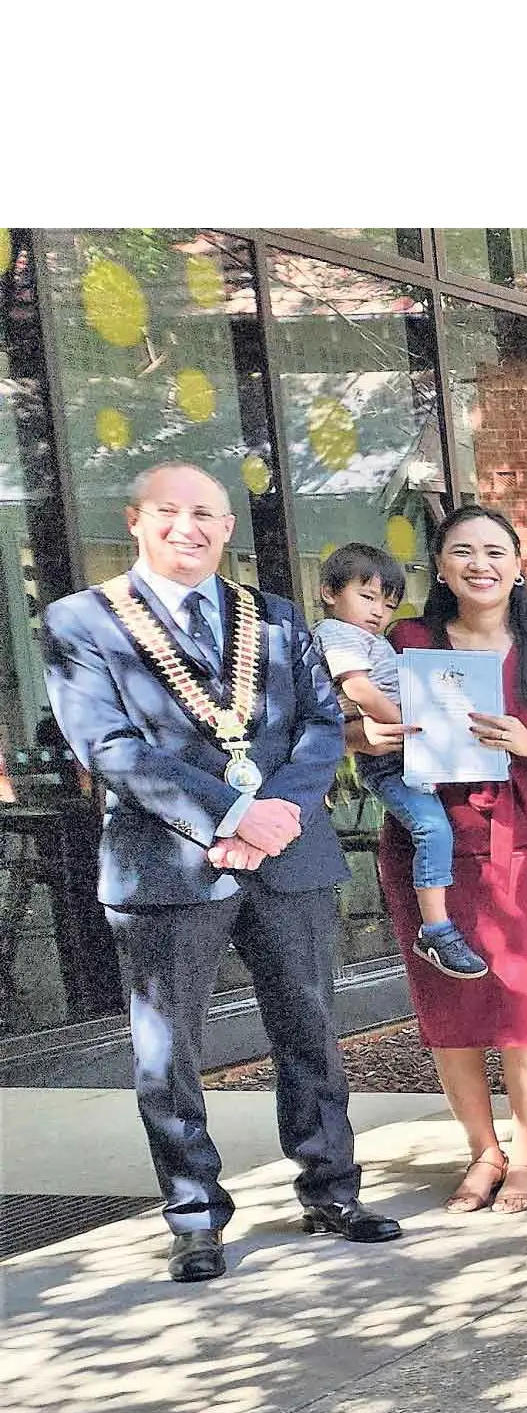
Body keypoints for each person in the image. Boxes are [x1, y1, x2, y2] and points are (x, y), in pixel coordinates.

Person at [37, 462, 399, 1281]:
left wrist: (274, 817)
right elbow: (107, 746)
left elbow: (315, 723)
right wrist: (231, 815)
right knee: (170, 1050)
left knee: (310, 1031)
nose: (187, 527)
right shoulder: (80, 621)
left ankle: (331, 1189)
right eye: (169, 512)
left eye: (204, 513)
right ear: (135, 520)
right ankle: (194, 1215)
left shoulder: (272, 619)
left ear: (227, 527)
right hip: (168, 867)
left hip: (287, 856)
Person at [372, 506, 527, 1217]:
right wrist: (373, 734)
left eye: (495, 551)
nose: (480, 564)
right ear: (439, 567)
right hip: (424, 848)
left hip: (518, 842)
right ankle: (482, 1150)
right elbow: (350, 733)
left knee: (523, 999)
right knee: (449, 1006)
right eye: (462, 552)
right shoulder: (406, 642)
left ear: (519, 565)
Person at [313, 543, 485, 978]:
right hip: (392, 755)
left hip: (406, 751)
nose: (377, 613)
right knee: (432, 829)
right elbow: (361, 692)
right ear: (329, 592)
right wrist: (418, 733)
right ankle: (436, 930)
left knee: (440, 829)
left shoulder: (369, 640)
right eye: (366, 597)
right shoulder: (337, 634)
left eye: (387, 605)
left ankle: (439, 925)